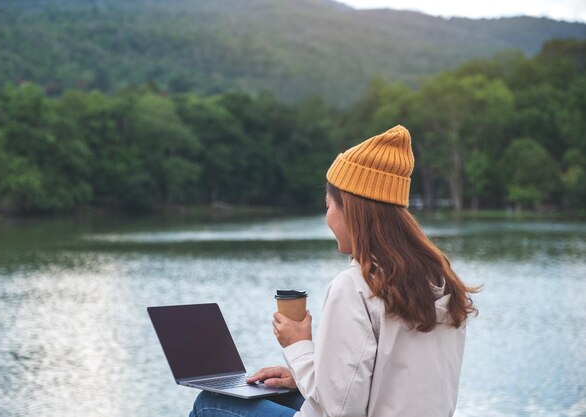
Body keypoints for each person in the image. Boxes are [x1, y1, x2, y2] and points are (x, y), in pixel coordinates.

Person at [189, 125, 479, 417]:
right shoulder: (440, 279)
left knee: (210, 404)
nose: (327, 217)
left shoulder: (355, 286)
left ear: (349, 210)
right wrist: (306, 376)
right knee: (279, 396)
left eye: (328, 206)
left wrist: (298, 345)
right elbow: (385, 385)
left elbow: (338, 411)